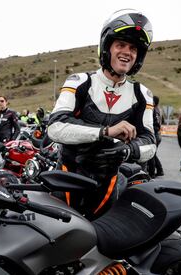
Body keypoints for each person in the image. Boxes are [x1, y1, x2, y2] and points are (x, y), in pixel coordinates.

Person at [48, 9, 156, 219]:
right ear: (107, 47)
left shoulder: (142, 94)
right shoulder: (79, 81)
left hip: (108, 187)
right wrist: (106, 131)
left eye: (133, 48)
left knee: (102, 247)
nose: (127, 52)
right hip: (67, 179)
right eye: (121, 44)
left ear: (139, 56)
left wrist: (127, 151)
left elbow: (150, 142)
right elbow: (55, 127)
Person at [147, 95, 164, 178]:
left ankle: (152, 173)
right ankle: (160, 170)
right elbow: (162, 121)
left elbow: (155, 125)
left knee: (151, 154)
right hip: (158, 134)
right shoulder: (159, 110)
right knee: (153, 154)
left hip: (155, 134)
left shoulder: (153, 110)